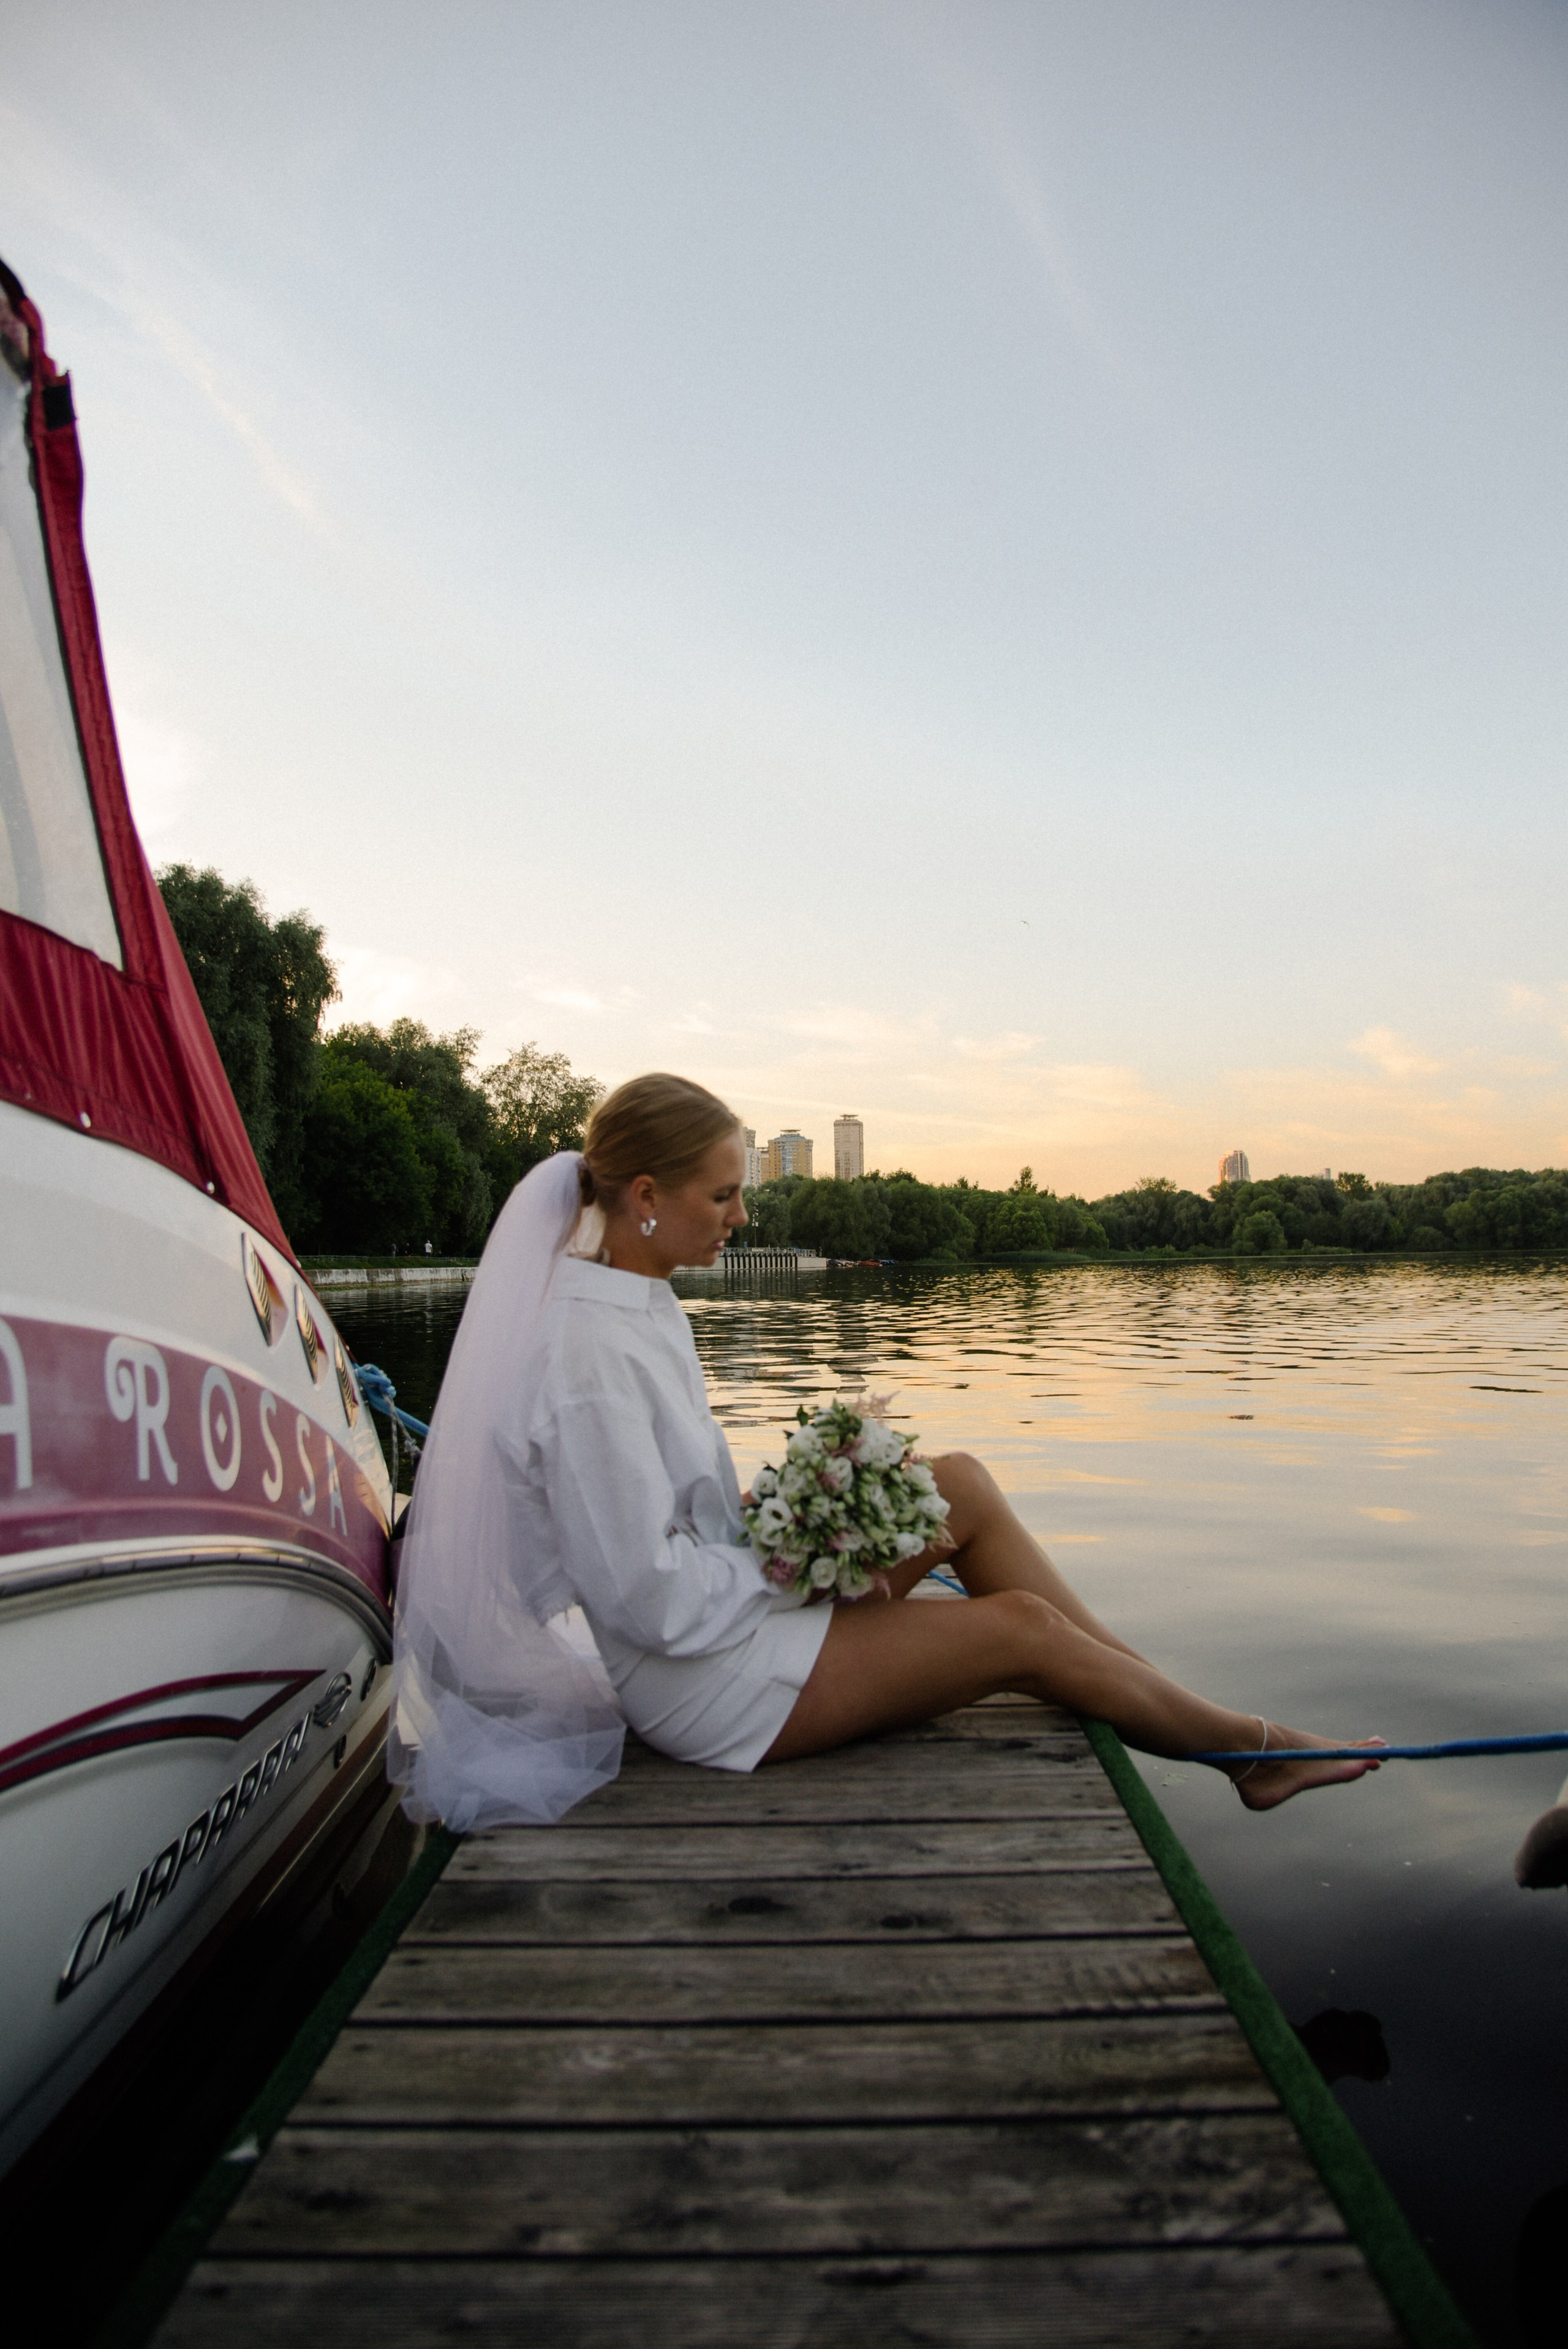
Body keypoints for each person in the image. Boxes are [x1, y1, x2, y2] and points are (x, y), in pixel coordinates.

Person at [389, 1073, 1382, 1830]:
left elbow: (688, 1517)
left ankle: (1172, 1704)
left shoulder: (641, 1304)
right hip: (704, 1689)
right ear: (646, 1193)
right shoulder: (586, 1353)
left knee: (959, 1486)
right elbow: (643, 1598)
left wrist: (817, 1522)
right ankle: (1245, 1753)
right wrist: (794, 1571)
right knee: (1022, 1629)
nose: (744, 1215)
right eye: (724, 1196)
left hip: (732, 1619)